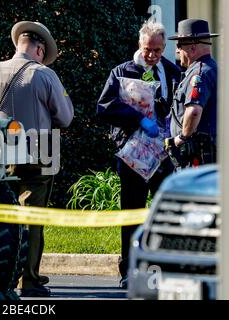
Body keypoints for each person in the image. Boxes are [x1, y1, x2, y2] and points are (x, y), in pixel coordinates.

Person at [0, 21, 74, 297]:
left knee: (2, 218)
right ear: (39, 49)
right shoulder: (45, 75)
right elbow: (65, 117)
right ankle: (27, 279)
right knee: (31, 216)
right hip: (39, 152)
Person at [97, 20, 181, 289]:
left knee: (160, 213)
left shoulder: (171, 70)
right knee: (131, 211)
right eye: (148, 50)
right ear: (139, 44)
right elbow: (104, 108)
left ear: (164, 47)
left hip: (162, 155)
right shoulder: (122, 71)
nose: (152, 56)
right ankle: (129, 270)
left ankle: (158, 268)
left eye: (157, 50)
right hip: (132, 154)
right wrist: (137, 118)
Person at [167, 19, 218, 166]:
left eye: (179, 45)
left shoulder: (200, 74)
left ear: (192, 48)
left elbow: (194, 111)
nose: (177, 50)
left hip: (198, 156)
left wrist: (182, 138)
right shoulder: (211, 69)